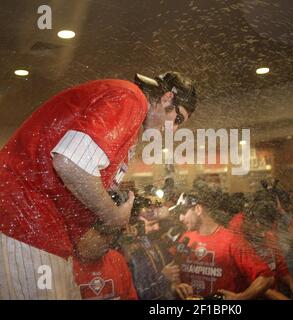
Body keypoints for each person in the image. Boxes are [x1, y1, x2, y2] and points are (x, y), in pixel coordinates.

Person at [0, 71, 197, 299]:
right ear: (166, 98)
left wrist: (116, 226)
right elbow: (69, 163)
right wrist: (113, 215)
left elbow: (85, 247)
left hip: (45, 232)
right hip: (23, 221)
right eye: (178, 119)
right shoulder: (131, 98)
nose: (173, 130)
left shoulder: (126, 128)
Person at [170, 187, 274, 300]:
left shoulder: (231, 240)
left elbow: (266, 278)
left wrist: (241, 298)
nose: (180, 218)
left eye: (183, 212)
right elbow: (173, 269)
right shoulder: (186, 238)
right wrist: (175, 285)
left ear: (198, 209)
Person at [229, 191, 293, 300]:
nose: (264, 232)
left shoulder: (267, 227)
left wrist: (292, 285)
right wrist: (279, 297)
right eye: (262, 228)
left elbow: (279, 263)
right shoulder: (237, 234)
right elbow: (252, 279)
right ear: (254, 221)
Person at [120, 194, 180, 300]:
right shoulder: (131, 251)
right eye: (151, 224)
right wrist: (164, 278)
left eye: (157, 223)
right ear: (134, 225)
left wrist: (175, 287)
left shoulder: (157, 243)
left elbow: (168, 283)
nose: (157, 227)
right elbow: (141, 294)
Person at [73, 227, 138, 300]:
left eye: (110, 234)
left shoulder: (116, 258)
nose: (109, 239)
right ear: (81, 234)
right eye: (102, 234)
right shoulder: (67, 266)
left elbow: (130, 297)